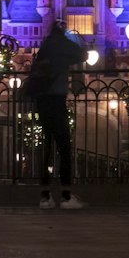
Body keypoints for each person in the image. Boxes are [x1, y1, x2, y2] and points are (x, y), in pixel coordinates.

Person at [31, 20, 87, 210]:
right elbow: (82, 54)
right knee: (64, 148)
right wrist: (75, 38)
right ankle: (65, 196)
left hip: (42, 100)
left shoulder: (46, 44)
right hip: (56, 98)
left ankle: (45, 197)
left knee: (45, 147)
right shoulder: (63, 44)